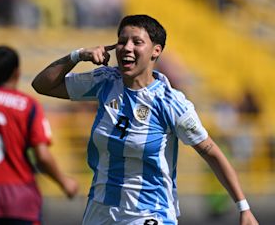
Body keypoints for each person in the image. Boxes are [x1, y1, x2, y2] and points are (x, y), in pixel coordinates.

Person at [32, 14, 259, 225]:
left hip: (150, 213)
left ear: (155, 51)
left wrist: (244, 207)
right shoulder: (105, 81)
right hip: (100, 210)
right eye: (122, 41)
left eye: (136, 42)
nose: (126, 48)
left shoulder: (169, 102)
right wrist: (78, 55)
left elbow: (211, 151)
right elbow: (42, 85)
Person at [0, 45, 79, 225]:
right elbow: (41, 156)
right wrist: (64, 182)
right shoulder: (27, 106)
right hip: (19, 200)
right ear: (16, 73)